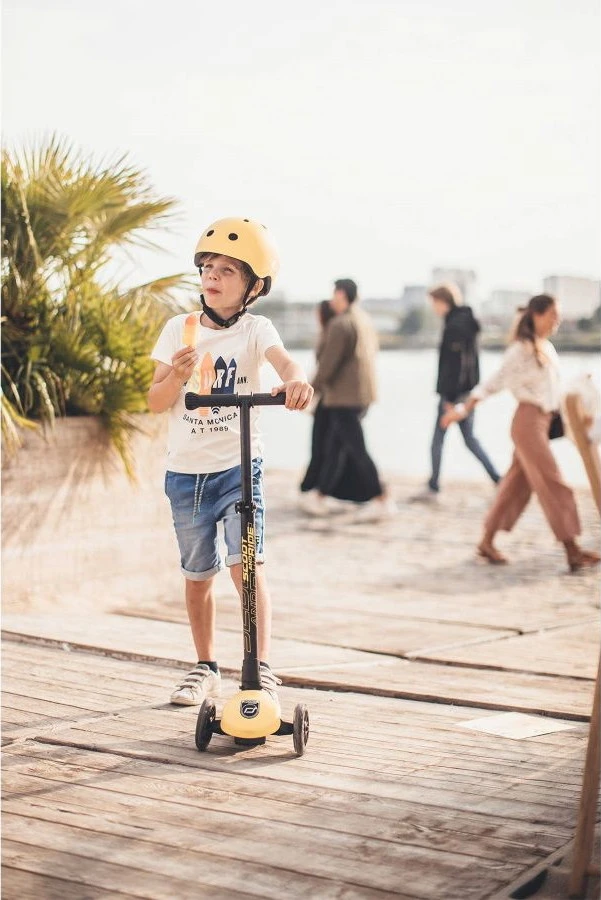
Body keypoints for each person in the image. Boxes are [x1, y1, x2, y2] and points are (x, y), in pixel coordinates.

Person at [148, 217, 313, 707]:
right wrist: (175, 377)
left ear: (253, 286)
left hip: (239, 470)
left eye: (227, 271)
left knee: (246, 568)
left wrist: (295, 380)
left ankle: (260, 668)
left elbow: (284, 362)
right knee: (198, 574)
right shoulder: (178, 329)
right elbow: (155, 402)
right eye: (208, 268)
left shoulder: (255, 329)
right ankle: (205, 666)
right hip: (186, 474)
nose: (213, 277)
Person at [441, 293, 600, 572]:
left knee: (515, 485)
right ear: (537, 315)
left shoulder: (546, 348)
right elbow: (493, 383)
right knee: (553, 482)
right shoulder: (520, 350)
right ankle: (572, 550)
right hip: (528, 423)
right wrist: (463, 410)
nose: (557, 321)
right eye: (553, 315)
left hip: (544, 422)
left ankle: (486, 541)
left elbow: (553, 392)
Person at [303, 278, 394, 521]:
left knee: (357, 449)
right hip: (362, 395)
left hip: (344, 398)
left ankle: (382, 499)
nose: (332, 299)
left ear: (341, 294)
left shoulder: (340, 323)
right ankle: (320, 496)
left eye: (334, 293)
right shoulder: (363, 319)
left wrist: (310, 391)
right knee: (336, 447)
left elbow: (328, 364)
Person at [411, 284, 501, 503]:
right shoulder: (467, 322)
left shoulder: (454, 326)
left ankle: (433, 487)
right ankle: (499, 480)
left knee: (438, 440)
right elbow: (468, 364)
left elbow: (456, 366)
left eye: (434, 303)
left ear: (443, 301)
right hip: (467, 392)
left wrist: (450, 399)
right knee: (470, 440)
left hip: (452, 394)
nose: (433, 308)